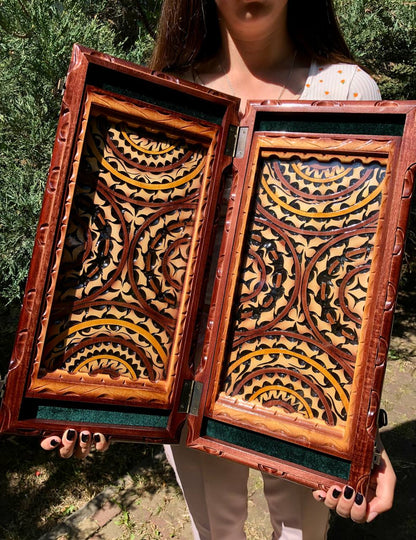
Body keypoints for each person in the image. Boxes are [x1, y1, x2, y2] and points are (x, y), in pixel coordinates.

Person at [42, 1, 396, 538]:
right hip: (184, 384)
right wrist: (96, 390)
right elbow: (130, 263)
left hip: (301, 378)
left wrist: (363, 436)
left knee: (302, 530)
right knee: (215, 528)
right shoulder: (162, 97)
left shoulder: (348, 93)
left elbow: (355, 287)